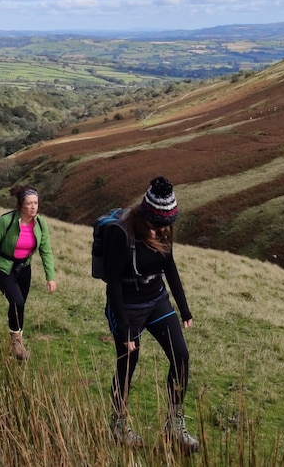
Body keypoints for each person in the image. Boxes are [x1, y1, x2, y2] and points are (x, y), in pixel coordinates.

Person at [100, 176, 198, 453]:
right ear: (146, 218)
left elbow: (170, 267)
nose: (162, 229)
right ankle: (118, 424)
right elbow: (114, 283)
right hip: (127, 305)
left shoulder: (165, 229)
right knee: (128, 363)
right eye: (157, 224)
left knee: (181, 356)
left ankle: (174, 425)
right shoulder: (122, 234)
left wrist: (184, 308)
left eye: (167, 223)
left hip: (156, 300)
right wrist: (125, 329)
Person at [0, 186, 57, 361]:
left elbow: (46, 251)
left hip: (24, 268)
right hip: (2, 267)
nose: (33, 207)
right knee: (17, 301)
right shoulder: (6, 221)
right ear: (21, 204)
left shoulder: (41, 223)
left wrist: (50, 277)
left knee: (19, 305)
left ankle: (17, 341)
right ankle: (16, 343)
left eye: (35, 203)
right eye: (29, 203)